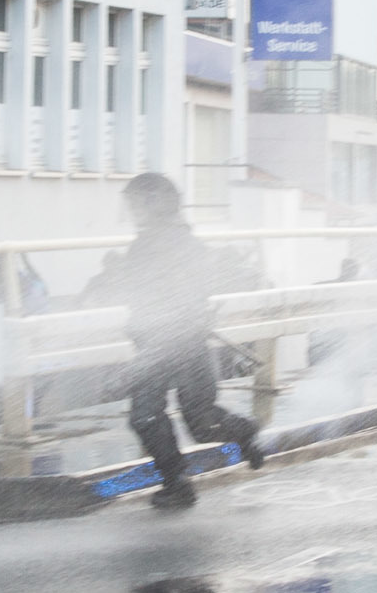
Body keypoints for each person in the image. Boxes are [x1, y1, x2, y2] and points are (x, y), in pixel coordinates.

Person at [82, 173, 267, 509]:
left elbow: (152, 294)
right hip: (186, 341)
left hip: (164, 342)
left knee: (146, 415)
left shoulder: (153, 243)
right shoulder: (182, 239)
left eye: (136, 202)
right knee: (201, 418)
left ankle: (177, 482)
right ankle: (240, 433)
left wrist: (113, 280)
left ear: (153, 203)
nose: (132, 209)